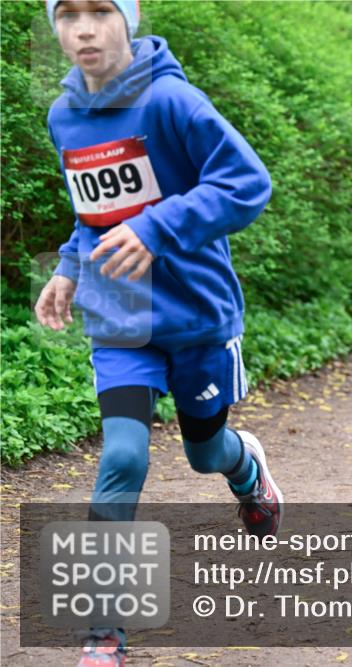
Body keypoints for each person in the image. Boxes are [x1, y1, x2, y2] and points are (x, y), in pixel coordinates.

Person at [34, 1, 278, 664]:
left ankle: (248, 471)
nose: (83, 28)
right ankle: (103, 625)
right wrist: (68, 268)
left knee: (205, 453)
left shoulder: (172, 101)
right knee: (122, 458)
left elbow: (249, 183)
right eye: (67, 13)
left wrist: (155, 227)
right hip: (119, 319)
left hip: (196, 317)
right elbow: (91, 215)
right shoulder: (65, 116)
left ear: (129, 18)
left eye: (100, 11)